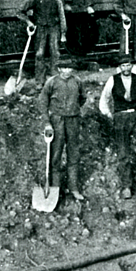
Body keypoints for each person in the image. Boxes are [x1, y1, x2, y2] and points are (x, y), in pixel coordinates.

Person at [99, 54, 136, 199]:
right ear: (119, 67)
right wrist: (108, 115)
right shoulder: (112, 80)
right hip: (120, 117)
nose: (126, 68)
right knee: (123, 152)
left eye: (128, 65)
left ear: (132, 66)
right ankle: (126, 186)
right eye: (123, 65)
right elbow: (103, 100)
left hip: (135, 115)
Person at [39, 60, 87, 201]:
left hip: (73, 120)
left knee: (73, 153)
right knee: (56, 155)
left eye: (69, 68)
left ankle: (74, 188)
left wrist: (74, 109)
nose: (67, 71)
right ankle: (55, 189)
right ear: (59, 69)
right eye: (64, 68)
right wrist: (47, 122)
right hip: (57, 121)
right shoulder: (52, 82)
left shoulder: (77, 81)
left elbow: (83, 98)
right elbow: (43, 101)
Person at [16, 0, 67, 87]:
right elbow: (19, 12)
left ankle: (55, 80)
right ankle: (40, 81)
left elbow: (61, 15)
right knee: (39, 54)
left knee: (55, 53)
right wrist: (29, 22)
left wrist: (63, 32)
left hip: (54, 27)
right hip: (40, 29)